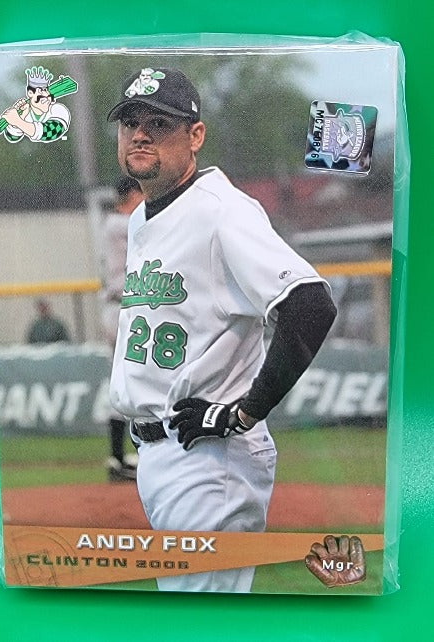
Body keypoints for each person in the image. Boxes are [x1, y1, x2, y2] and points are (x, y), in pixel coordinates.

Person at [107, 67, 337, 592]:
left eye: (159, 123)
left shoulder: (221, 210)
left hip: (209, 461)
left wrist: (244, 411)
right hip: (163, 456)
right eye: (130, 122)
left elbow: (309, 304)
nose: (140, 134)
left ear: (195, 136)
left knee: (202, 620)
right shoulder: (142, 219)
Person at [100, 177, 144, 481]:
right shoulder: (120, 224)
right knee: (134, 381)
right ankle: (125, 456)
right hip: (120, 308)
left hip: (121, 308)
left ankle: (118, 457)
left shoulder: (115, 223)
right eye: (140, 192)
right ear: (131, 194)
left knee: (126, 383)